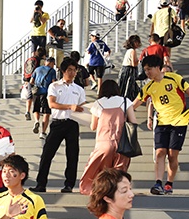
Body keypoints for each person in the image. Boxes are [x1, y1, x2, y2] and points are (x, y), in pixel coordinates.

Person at [137, 54, 189, 195]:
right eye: (145, 70)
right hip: (161, 123)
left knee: (172, 155)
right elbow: (136, 103)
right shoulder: (148, 87)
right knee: (160, 152)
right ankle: (158, 183)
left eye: (149, 69)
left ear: (158, 68)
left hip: (179, 122)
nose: (147, 72)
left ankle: (169, 183)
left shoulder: (174, 78)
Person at [31, 58, 87, 194]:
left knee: (72, 155)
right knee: (47, 154)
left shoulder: (79, 89)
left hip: (73, 123)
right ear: (63, 71)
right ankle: (41, 183)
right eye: (69, 70)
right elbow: (52, 104)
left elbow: (83, 107)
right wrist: (69, 106)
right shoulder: (54, 86)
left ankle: (69, 184)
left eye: (74, 70)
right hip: (57, 122)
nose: (72, 73)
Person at [79, 79, 138, 196]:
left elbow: (93, 126)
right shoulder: (125, 101)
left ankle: (95, 190)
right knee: (119, 174)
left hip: (104, 143)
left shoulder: (98, 103)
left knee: (98, 171)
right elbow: (133, 122)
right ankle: (119, 194)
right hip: (122, 143)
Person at [30, 57, 57, 139]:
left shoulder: (37, 69)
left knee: (36, 109)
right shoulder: (52, 71)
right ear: (52, 63)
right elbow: (53, 83)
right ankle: (43, 132)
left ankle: (36, 121)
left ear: (45, 62)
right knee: (46, 113)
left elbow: (31, 81)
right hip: (46, 93)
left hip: (36, 92)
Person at [117, 35, 142, 102]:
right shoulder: (133, 51)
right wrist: (139, 61)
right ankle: (128, 103)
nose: (138, 44)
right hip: (129, 70)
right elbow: (134, 64)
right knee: (129, 88)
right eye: (137, 42)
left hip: (124, 69)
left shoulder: (129, 50)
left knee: (123, 87)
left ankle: (123, 101)